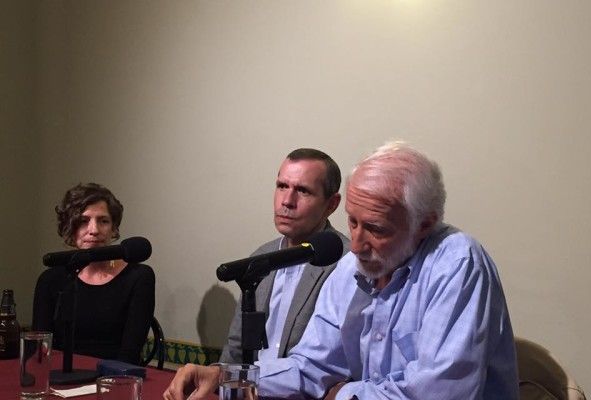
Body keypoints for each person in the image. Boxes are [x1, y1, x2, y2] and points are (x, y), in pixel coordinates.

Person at [163, 141, 518, 400]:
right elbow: (310, 367)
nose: (357, 244)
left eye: (376, 229)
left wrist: (343, 393)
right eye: (352, 222)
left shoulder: (457, 263)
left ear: (424, 224)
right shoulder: (350, 268)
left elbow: (437, 395)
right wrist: (225, 376)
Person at [219, 148, 350, 364]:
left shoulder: (345, 262)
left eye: (303, 191)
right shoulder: (261, 258)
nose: (287, 201)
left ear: (331, 204)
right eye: (282, 186)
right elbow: (235, 349)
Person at [32, 183, 155, 365]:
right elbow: (40, 348)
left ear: (114, 228)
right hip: (59, 374)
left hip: (115, 376)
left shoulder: (139, 276)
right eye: (83, 221)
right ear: (70, 228)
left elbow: (129, 354)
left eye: (103, 221)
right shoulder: (50, 280)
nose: (94, 230)